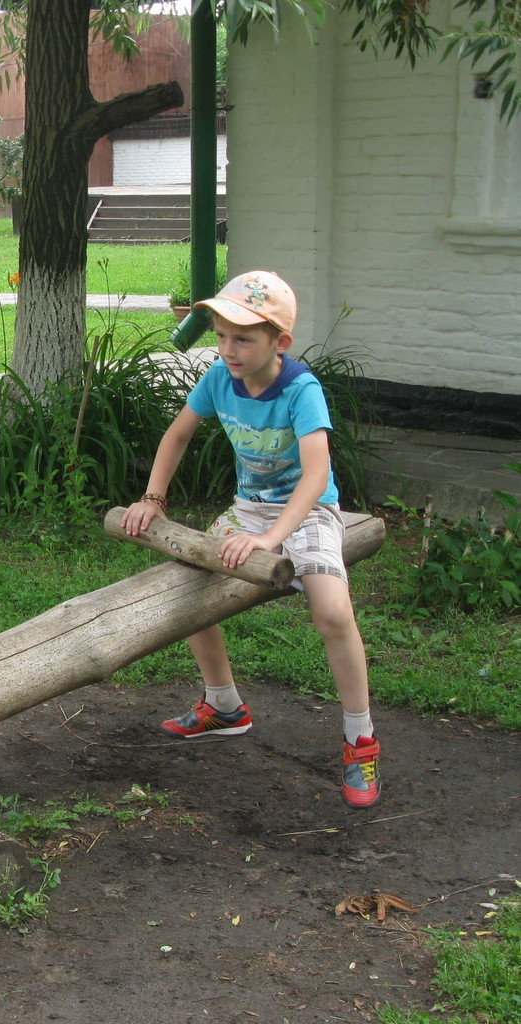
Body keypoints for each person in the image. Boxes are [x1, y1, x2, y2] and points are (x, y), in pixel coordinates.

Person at [121, 270, 382, 809]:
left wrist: (272, 539)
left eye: (242, 338)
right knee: (188, 588)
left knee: (333, 612)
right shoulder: (219, 377)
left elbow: (316, 476)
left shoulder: (301, 389)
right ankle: (224, 706)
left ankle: (360, 740)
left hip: (308, 512)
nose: (227, 349)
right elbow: (177, 434)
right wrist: (152, 499)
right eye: (220, 336)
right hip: (248, 511)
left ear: (279, 342)